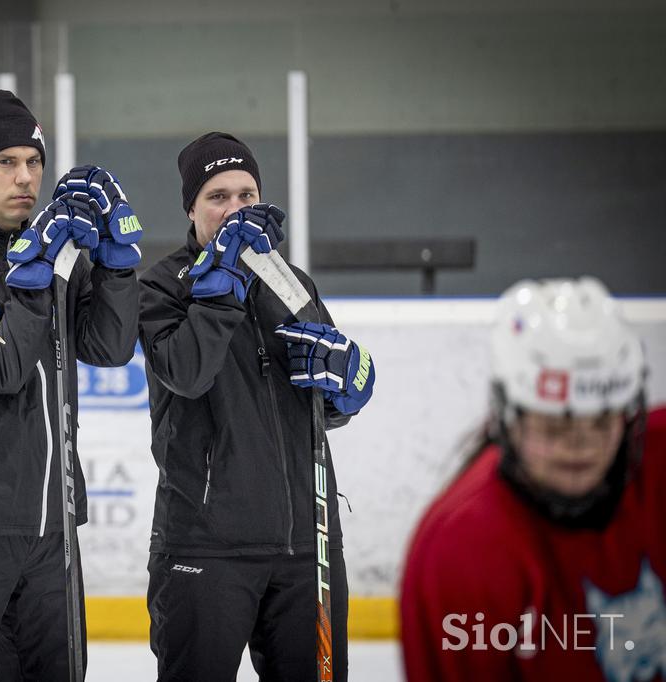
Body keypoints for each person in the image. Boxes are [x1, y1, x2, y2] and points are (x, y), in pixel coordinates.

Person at [138, 132, 376, 681]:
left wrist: (348, 389)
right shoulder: (163, 288)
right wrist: (222, 284)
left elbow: (324, 408)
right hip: (204, 546)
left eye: (247, 195)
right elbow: (187, 372)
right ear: (191, 208)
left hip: (307, 547)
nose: (235, 209)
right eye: (218, 196)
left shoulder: (293, 284)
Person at [0, 90, 142, 681]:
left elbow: (111, 346)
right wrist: (34, 279)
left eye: (34, 162)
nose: (26, 178)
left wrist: (118, 266)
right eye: (6, 162)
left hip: (55, 523)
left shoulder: (59, 254)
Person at [400, 277, 665, 681]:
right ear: (508, 417)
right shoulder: (462, 553)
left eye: (600, 421)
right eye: (555, 425)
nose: (580, 445)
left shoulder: (657, 469)